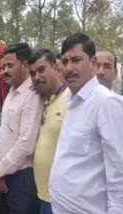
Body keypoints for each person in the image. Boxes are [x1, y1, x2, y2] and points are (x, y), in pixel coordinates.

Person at [50, 33, 123, 213]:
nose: (69, 68)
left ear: (92, 63)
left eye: (76, 60)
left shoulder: (106, 102)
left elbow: (119, 168)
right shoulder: (73, 101)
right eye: (65, 62)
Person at [0, 43, 43, 214]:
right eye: (2, 67)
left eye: (9, 65)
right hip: (5, 176)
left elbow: (26, 144)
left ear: (25, 65)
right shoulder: (12, 93)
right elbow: (5, 134)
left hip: (21, 179)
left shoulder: (32, 94)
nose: (4, 71)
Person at [29, 49, 69, 214]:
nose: (37, 76)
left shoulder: (71, 100)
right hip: (42, 197)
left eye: (41, 69)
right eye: (32, 73)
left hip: (62, 201)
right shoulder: (45, 101)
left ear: (56, 68)